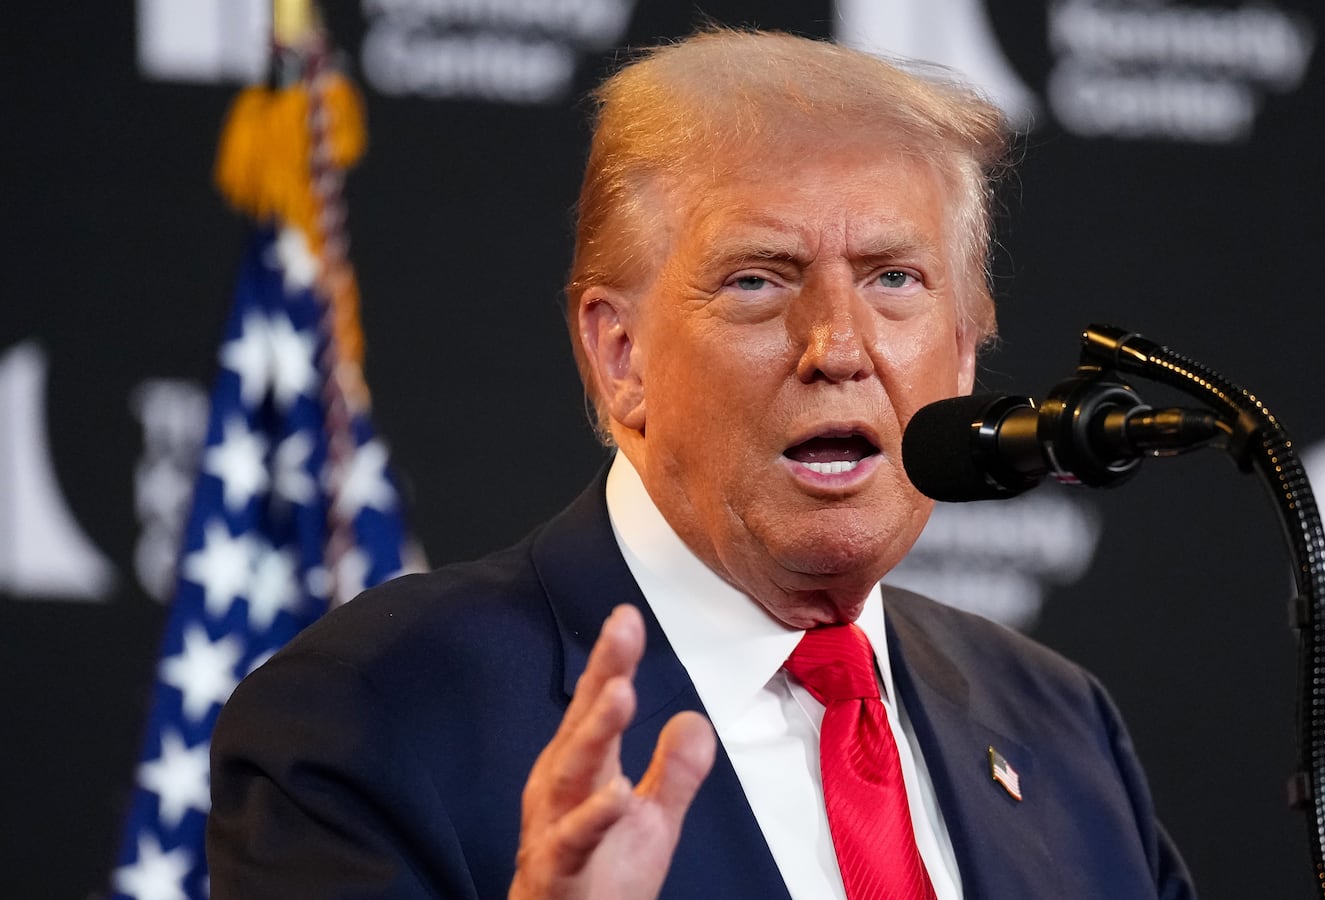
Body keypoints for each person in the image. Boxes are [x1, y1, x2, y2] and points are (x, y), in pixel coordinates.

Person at [207, 28, 1196, 900]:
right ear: (618, 354)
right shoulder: (373, 718)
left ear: (965, 352)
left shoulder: (1063, 732)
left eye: (894, 279)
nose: (839, 346)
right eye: (759, 281)